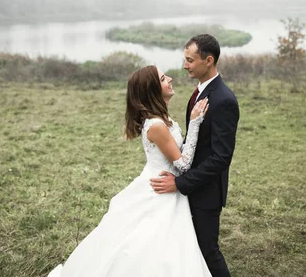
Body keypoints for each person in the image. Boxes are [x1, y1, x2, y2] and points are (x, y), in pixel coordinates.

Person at [47, 65, 212, 277]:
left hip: (166, 184)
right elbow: (182, 164)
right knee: (147, 242)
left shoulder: (161, 118)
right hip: (160, 187)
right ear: (153, 89)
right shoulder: (156, 125)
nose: (170, 79)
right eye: (163, 78)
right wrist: (195, 123)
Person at [150, 34, 240, 277]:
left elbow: (221, 157)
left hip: (206, 192)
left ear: (208, 60)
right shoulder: (199, 92)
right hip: (191, 187)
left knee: (208, 251)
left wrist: (180, 183)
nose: (185, 65)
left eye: (190, 60)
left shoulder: (224, 100)